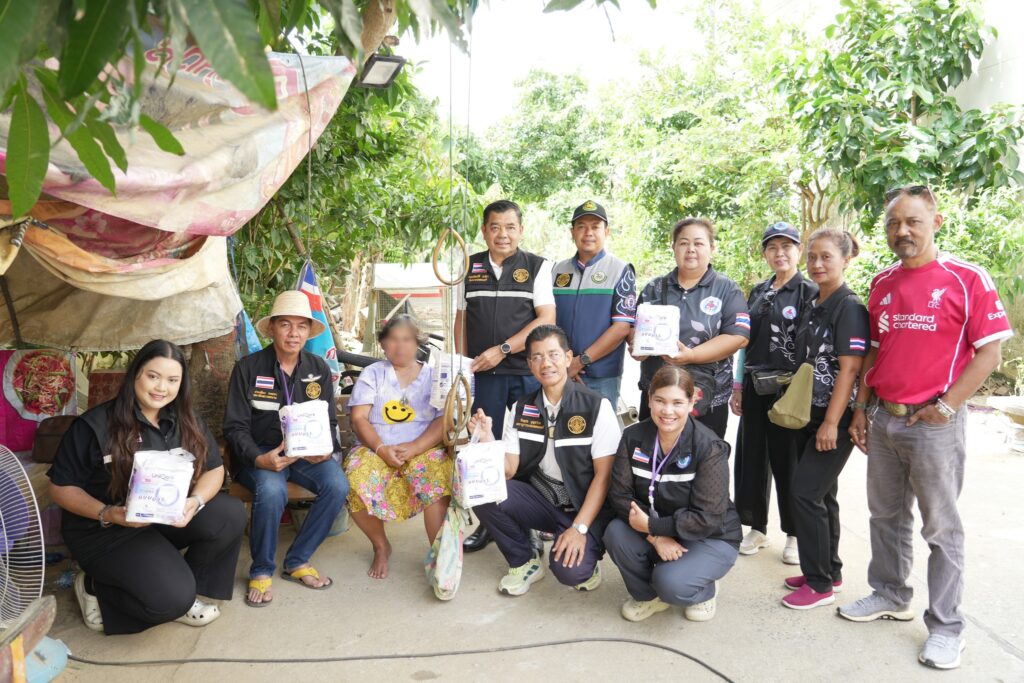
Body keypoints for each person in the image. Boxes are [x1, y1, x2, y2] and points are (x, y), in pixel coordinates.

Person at [839, 186, 1013, 670]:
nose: (902, 231)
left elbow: (990, 352)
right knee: (885, 515)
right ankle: (890, 593)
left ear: (935, 223)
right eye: (894, 223)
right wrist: (861, 408)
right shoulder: (882, 282)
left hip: (935, 424)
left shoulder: (966, 278)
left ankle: (947, 627)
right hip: (884, 418)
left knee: (941, 528)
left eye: (913, 221)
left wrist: (948, 407)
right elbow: (875, 350)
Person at [48, 340, 246, 635]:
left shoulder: (186, 419)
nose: (161, 388)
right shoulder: (94, 426)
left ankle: (181, 589)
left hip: (159, 518)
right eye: (153, 376)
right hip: (104, 530)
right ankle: (95, 587)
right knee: (169, 601)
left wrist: (194, 502)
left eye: (172, 380)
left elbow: (214, 469)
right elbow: (60, 487)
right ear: (136, 374)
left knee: (228, 514)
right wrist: (109, 513)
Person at [467, 324, 620, 596]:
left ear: (568, 358)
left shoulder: (596, 406)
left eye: (553, 355)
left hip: (584, 508)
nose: (545, 363)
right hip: (543, 501)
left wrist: (579, 528)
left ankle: (587, 552)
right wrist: (487, 438)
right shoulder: (521, 407)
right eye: (537, 357)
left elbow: (604, 477)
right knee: (482, 488)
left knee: (570, 572)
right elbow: (509, 470)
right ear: (529, 364)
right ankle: (524, 561)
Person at [224, 290, 349, 607]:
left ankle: (298, 560)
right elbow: (234, 427)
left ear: (309, 331)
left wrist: (327, 449)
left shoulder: (318, 368)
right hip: (260, 453)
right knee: (272, 490)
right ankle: (261, 569)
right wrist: (258, 458)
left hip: (306, 453)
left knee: (337, 485)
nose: (294, 333)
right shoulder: (248, 368)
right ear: (272, 328)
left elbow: (329, 420)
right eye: (285, 324)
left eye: (301, 326)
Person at [455, 199, 556, 553]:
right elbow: (461, 319)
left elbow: (546, 318)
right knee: (487, 447)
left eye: (510, 227)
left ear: (521, 230)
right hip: (484, 377)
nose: (503, 234)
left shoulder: (538, 267)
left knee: (527, 449)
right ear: (484, 231)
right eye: (495, 227)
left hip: (525, 374)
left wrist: (504, 348)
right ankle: (489, 524)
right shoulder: (468, 266)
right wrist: (463, 366)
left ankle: (529, 523)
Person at [604, 365, 741, 623]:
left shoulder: (709, 447)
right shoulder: (632, 437)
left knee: (671, 583)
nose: (667, 411)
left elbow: (709, 517)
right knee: (615, 533)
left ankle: (705, 589)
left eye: (677, 402)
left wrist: (653, 526)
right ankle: (648, 596)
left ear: (691, 403)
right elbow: (620, 496)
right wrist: (656, 536)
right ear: (649, 400)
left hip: (710, 536)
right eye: (660, 401)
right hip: (656, 527)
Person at [779, 228, 869, 611]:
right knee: (823, 495)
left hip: (834, 417)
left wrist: (832, 423)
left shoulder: (849, 307)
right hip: (808, 413)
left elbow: (850, 369)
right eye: (812, 256)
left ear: (846, 259)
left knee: (804, 493)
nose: (817, 264)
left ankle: (819, 586)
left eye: (826, 256)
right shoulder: (814, 301)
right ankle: (829, 571)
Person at [730, 222, 817, 562]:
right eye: (773, 247)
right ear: (765, 253)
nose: (780, 253)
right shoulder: (758, 291)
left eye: (787, 246)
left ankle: (794, 533)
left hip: (789, 389)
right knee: (751, 459)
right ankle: (757, 527)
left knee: (788, 461)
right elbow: (744, 342)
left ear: (799, 250)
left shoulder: (809, 292)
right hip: (755, 385)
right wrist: (738, 386)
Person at [345, 315, 451, 579]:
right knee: (353, 479)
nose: (400, 346)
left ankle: (440, 555)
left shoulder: (434, 376)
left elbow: (444, 419)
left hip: (423, 448)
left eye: (407, 340)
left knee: (436, 477)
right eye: (393, 339)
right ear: (382, 343)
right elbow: (359, 418)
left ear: (418, 344)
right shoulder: (373, 373)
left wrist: (415, 447)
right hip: (376, 448)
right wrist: (381, 449)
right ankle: (381, 546)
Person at [632, 217, 750, 438]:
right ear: (674, 248)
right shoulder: (653, 288)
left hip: (706, 398)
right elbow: (634, 330)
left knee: (705, 454)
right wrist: (637, 346)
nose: (691, 249)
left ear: (712, 248)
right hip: (658, 398)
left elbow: (738, 336)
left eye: (699, 243)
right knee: (652, 454)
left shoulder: (727, 289)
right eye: (684, 243)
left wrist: (691, 356)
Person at [550, 200, 637, 410]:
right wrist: (563, 363)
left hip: (602, 376)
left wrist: (581, 361)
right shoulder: (556, 270)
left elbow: (622, 327)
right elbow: (547, 321)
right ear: (572, 232)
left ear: (606, 232)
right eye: (581, 226)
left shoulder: (620, 270)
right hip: (559, 371)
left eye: (595, 227)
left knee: (601, 428)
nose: (588, 233)